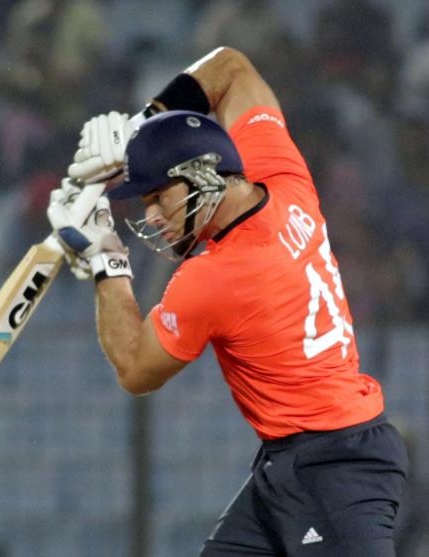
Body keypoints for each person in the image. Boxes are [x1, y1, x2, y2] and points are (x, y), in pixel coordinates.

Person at [47, 47, 409, 555]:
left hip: (334, 471)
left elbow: (135, 368)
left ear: (203, 174)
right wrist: (141, 129)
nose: (151, 216)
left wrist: (107, 258)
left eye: (157, 196)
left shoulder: (215, 277)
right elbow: (232, 68)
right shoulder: (284, 180)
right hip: (302, 458)